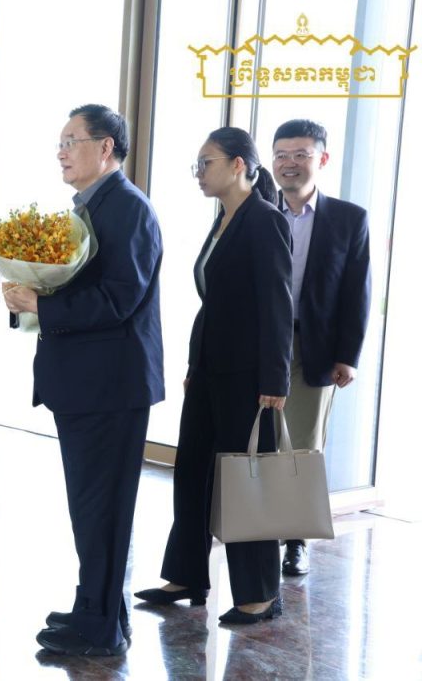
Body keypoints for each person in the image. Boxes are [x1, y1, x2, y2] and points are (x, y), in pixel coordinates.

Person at [4, 104, 164, 657]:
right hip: (86, 384)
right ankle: (99, 610)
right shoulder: (89, 207)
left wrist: (43, 306)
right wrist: (28, 297)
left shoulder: (129, 208)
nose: (62, 152)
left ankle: (99, 628)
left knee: (103, 510)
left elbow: (120, 298)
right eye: (61, 142)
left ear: (106, 147)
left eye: (71, 141)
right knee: (91, 509)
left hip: (110, 387)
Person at [135, 127, 293, 625]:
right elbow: (213, 304)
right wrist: (193, 365)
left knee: (246, 481)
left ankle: (260, 594)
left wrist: (276, 379)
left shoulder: (264, 220)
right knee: (193, 472)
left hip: (249, 377)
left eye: (207, 163)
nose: (199, 173)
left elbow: (277, 304)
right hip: (209, 371)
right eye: (198, 164)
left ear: (239, 164)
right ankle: (185, 575)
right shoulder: (223, 220)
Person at [272, 119, 371, 576]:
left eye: (301, 154)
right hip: (261, 344)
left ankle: (296, 540)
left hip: (313, 346)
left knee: (303, 448)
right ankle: (254, 529)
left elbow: (357, 292)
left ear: (322, 159)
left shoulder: (349, 219)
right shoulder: (256, 211)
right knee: (257, 443)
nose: (289, 163)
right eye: (281, 154)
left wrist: (348, 356)